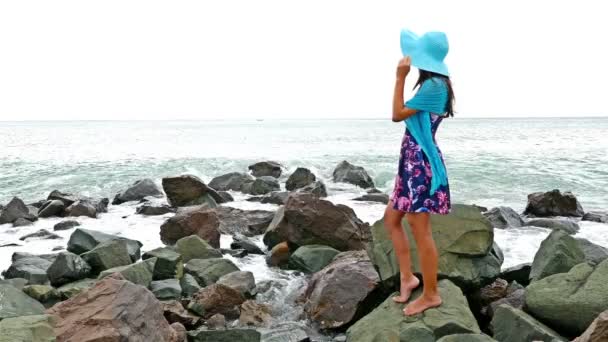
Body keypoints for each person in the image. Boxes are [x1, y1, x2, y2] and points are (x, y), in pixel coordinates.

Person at [384, 29, 454, 316]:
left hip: (420, 165)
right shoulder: (434, 84)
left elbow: (397, 114)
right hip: (411, 163)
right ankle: (407, 277)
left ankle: (431, 294)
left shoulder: (435, 86)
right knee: (392, 219)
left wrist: (399, 76)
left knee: (420, 230)